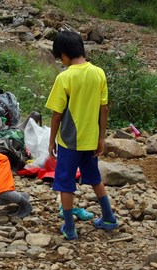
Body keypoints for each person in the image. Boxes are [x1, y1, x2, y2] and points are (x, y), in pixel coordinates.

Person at [45, 31, 118, 240]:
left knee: (65, 183)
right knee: (94, 177)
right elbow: (104, 109)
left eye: (60, 57)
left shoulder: (65, 77)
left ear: (64, 55)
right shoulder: (99, 73)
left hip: (70, 140)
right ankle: (109, 218)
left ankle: (69, 228)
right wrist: (101, 138)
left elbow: (57, 114)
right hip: (92, 138)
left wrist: (52, 141)